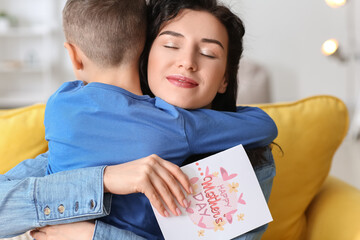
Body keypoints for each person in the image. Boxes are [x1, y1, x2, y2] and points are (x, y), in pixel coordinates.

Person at [0, 0, 277, 239]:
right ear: (143, 54)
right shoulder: (90, 127)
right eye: (171, 45)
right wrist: (105, 179)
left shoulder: (249, 163)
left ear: (225, 79)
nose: (188, 62)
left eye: (208, 53)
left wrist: (95, 236)